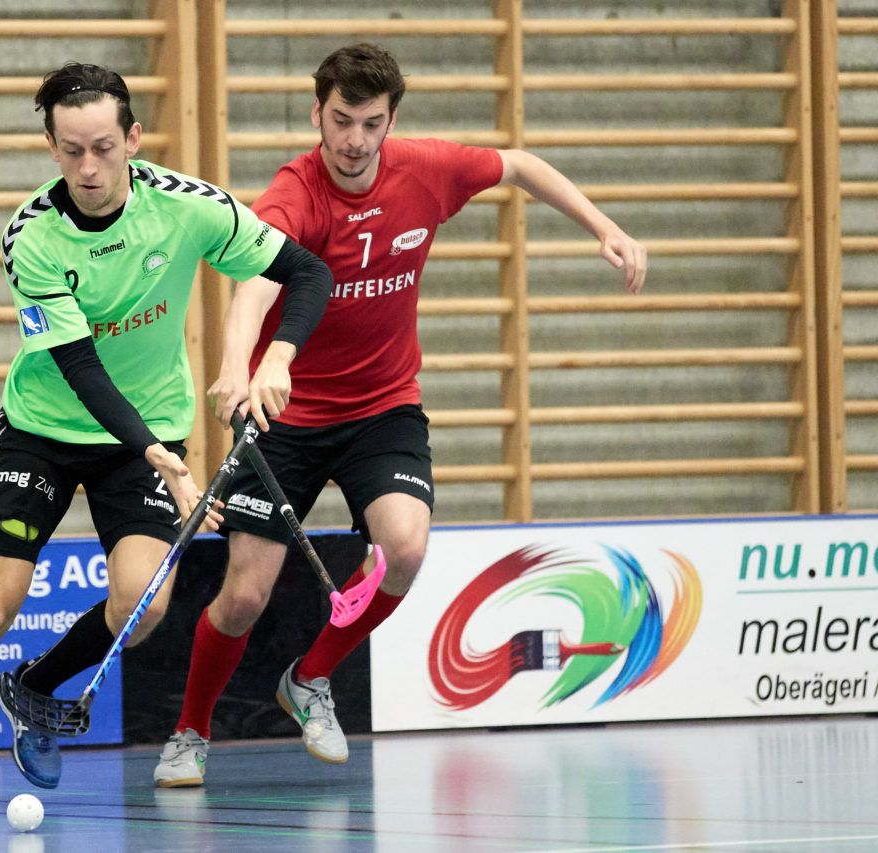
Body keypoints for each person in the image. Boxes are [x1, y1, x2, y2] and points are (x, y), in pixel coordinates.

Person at [153, 43, 646, 787]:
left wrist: (602, 225)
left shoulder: (429, 170)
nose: (353, 140)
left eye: (371, 123)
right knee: (245, 593)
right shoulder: (298, 192)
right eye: (341, 120)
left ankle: (309, 677)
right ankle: (190, 730)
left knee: (405, 550)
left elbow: (519, 163)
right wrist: (238, 367)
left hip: (383, 407)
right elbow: (255, 284)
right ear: (317, 112)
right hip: (287, 413)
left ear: (392, 121)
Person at [0, 62, 331, 812]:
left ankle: (37, 685)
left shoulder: (187, 207)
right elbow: (78, 365)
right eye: (72, 149)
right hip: (44, 429)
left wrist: (273, 357)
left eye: (105, 147)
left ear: (133, 139)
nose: (89, 166)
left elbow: (307, 272)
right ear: (50, 144)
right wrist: (162, 456)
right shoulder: (32, 236)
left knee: (144, 600)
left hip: (146, 427)